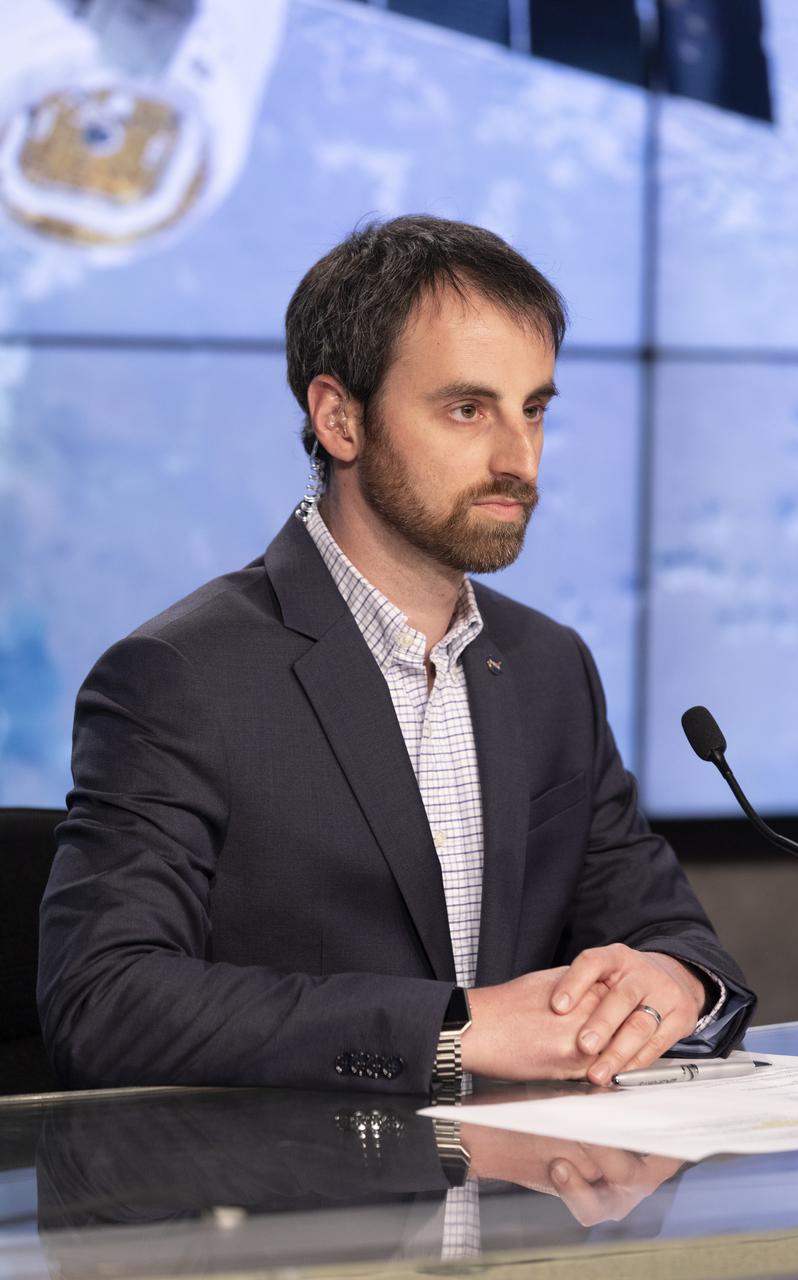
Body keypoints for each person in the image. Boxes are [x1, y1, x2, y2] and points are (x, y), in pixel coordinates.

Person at [38, 215, 754, 1094]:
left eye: (533, 409)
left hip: (530, 1198)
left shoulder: (549, 666)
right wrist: (456, 1029)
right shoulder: (180, 677)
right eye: (467, 409)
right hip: (289, 1212)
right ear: (340, 419)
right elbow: (101, 998)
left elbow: (666, 931)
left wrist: (675, 982)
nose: (517, 459)